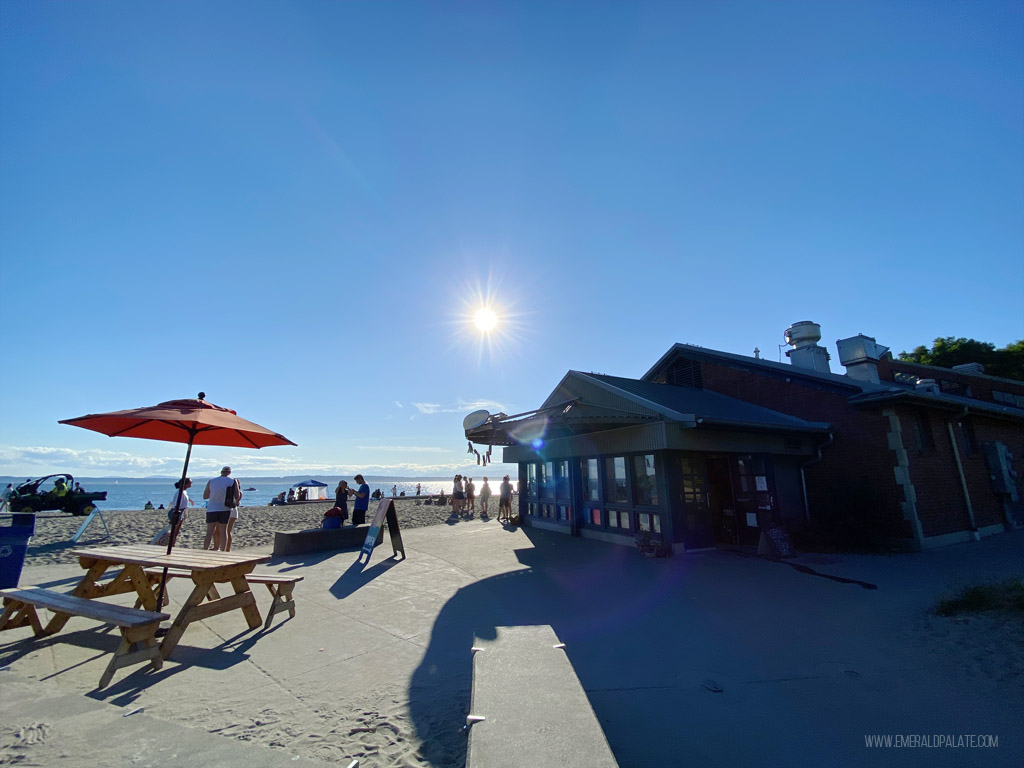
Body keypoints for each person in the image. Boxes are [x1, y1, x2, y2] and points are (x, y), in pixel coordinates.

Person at [203, 466, 241, 551]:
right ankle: (223, 550)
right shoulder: (233, 481)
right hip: (225, 508)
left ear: (221, 472)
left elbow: (205, 496)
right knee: (223, 531)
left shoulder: (212, 481)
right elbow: (237, 495)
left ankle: (205, 549)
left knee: (209, 532)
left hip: (212, 508)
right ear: (229, 472)